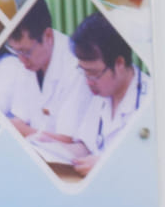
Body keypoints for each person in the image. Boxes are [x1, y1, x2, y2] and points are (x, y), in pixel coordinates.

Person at [0, 0, 92, 139]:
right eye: (16, 51)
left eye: (26, 52)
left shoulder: (76, 66)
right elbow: (21, 117)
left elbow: (66, 139)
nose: (22, 60)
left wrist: (21, 129)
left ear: (48, 36)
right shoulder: (27, 61)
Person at [54, 11, 149, 172]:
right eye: (84, 71)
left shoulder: (149, 100)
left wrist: (108, 165)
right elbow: (86, 147)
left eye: (94, 73)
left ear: (119, 63)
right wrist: (52, 149)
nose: (88, 81)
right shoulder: (102, 93)